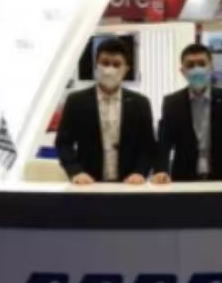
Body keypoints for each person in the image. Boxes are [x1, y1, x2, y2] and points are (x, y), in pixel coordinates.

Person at [153, 42, 222, 184]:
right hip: (184, 180)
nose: (196, 69)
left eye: (201, 64)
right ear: (182, 71)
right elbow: (164, 142)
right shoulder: (172, 103)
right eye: (190, 65)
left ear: (211, 67)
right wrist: (161, 170)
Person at [54, 37, 156, 185]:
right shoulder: (76, 101)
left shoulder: (140, 103)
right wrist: (75, 172)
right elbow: (63, 143)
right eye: (105, 63)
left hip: (129, 184)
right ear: (96, 65)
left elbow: (148, 146)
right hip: (87, 184)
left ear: (126, 69)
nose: (109, 69)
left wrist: (140, 172)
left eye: (116, 64)